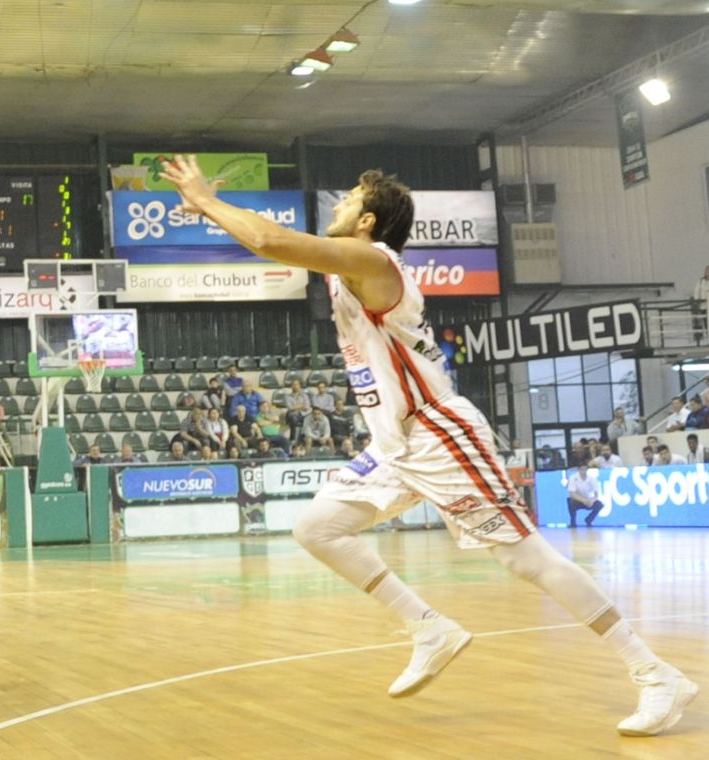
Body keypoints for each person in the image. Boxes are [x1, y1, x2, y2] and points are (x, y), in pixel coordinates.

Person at [161, 157, 697, 736]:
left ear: (367, 221)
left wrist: (207, 201)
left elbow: (270, 240)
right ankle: (428, 627)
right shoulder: (344, 266)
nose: (338, 204)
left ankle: (655, 673)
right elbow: (270, 238)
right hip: (394, 442)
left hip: (437, 430)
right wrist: (215, 210)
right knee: (317, 528)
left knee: (526, 558)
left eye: (349, 199)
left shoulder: (374, 262)